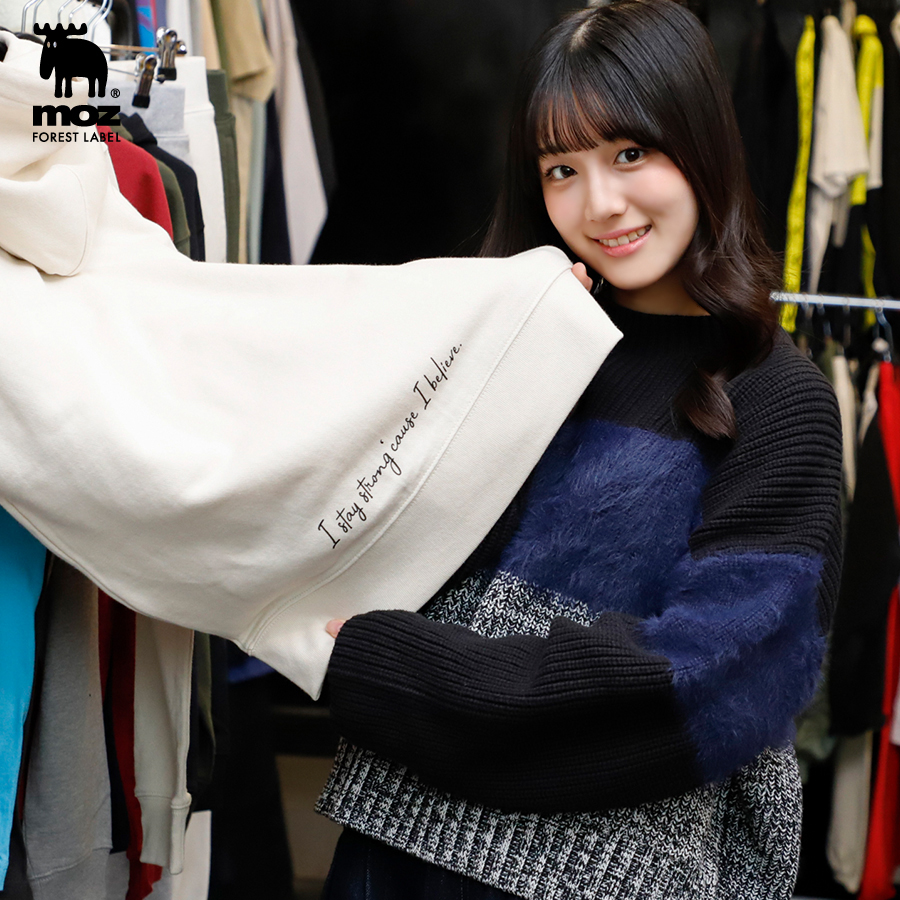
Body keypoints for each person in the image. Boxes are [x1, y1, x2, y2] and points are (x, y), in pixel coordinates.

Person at [316, 1, 844, 898]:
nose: (600, 204)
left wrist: (398, 666)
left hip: (602, 877)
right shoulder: (508, 347)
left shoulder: (775, 397)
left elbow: (712, 680)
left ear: (703, 144)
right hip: (391, 845)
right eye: (562, 168)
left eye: (631, 154)